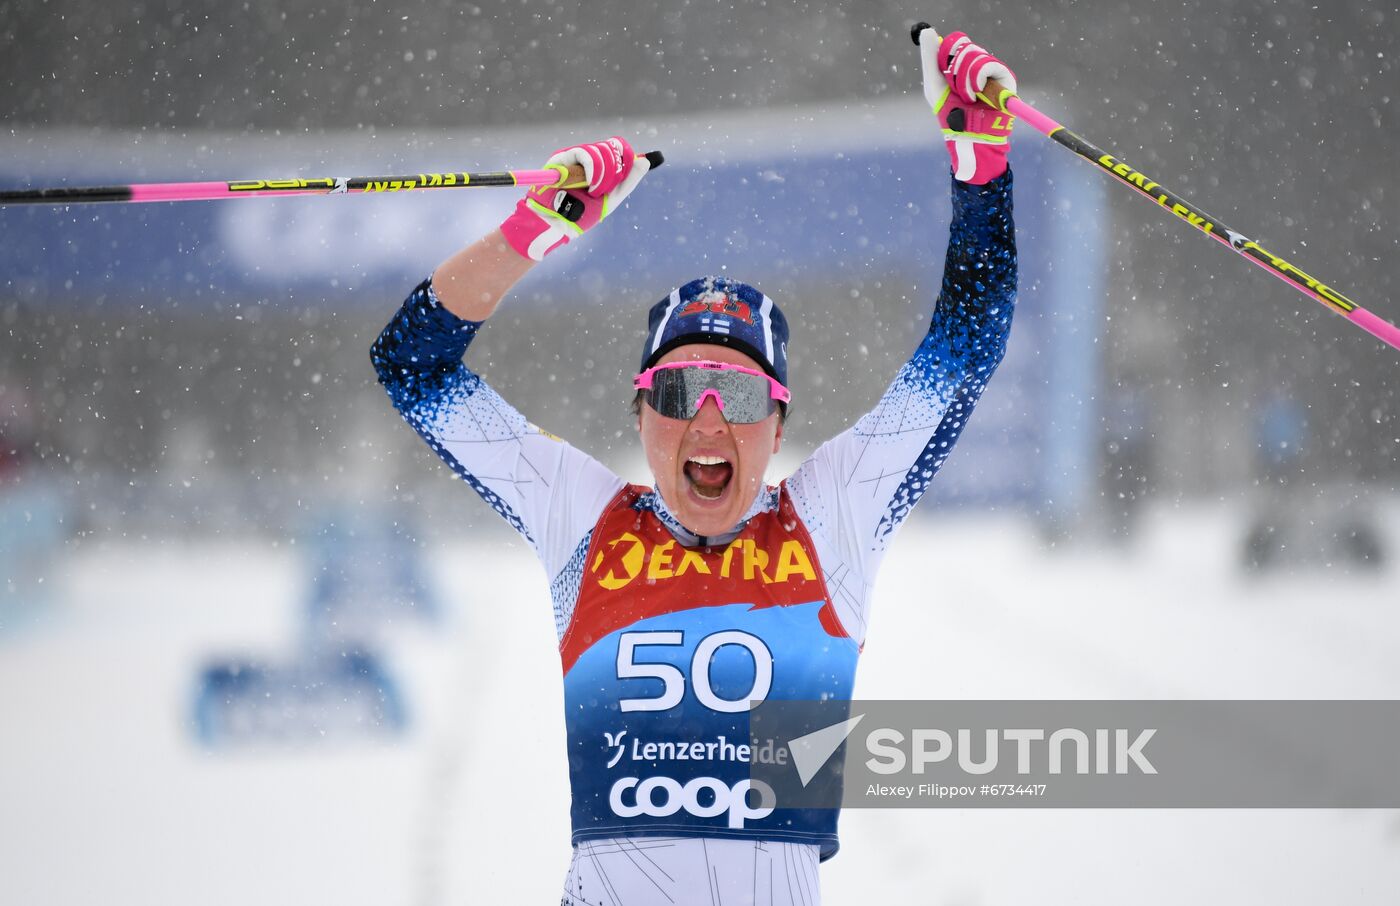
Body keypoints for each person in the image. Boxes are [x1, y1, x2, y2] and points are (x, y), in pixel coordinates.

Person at [372, 30, 1018, 905]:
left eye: (742, 397)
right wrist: (532, 232)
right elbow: (410, 363)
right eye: (678, 393)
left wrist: (982, 166)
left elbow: (966, 341)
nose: (709, 421)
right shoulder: (583, 518)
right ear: (640, 413)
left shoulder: (831, 520)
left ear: (780, 419)